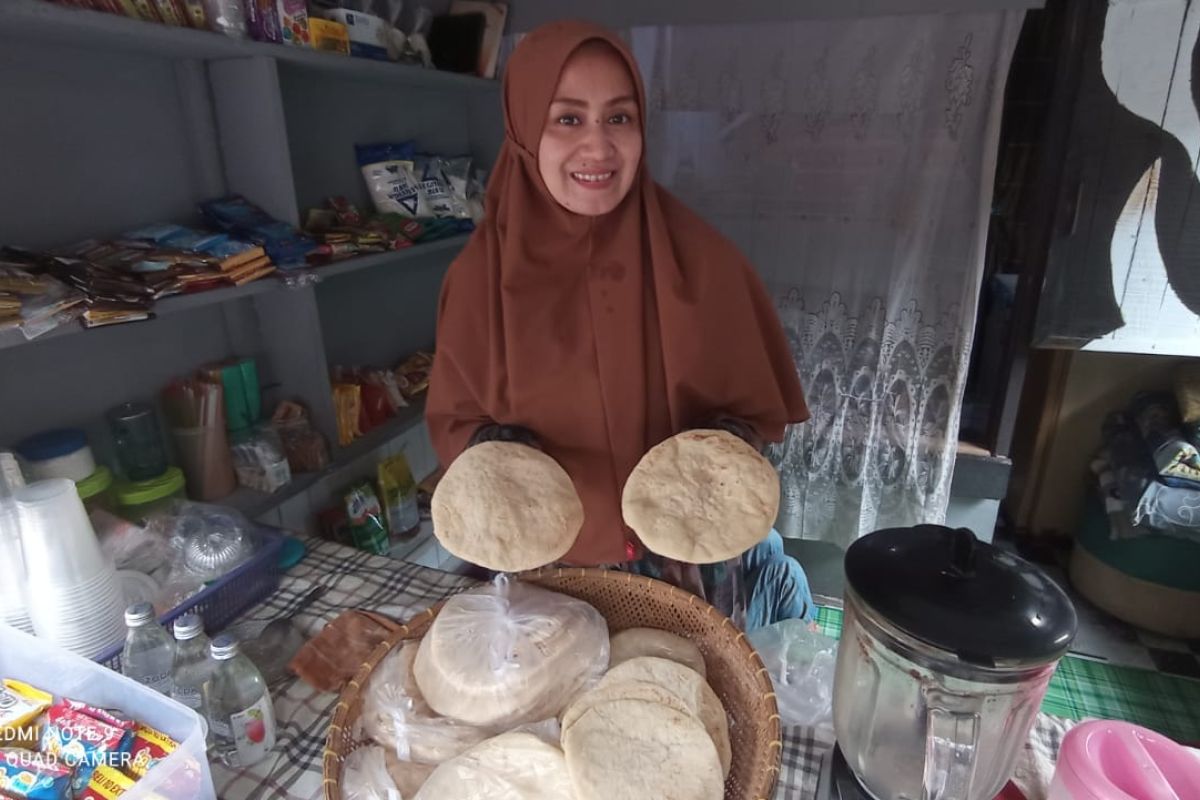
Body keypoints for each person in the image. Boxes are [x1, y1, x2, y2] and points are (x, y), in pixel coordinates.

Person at [425, 20, 813, 630]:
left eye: (619, 118)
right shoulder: (478, 281)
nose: (599, 148)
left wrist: (728, 438)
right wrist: (488, 447)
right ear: (526, 127)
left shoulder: (705, 263)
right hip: (552, 575)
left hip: (690, 568)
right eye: (568, 118)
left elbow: (756, 416)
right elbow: (456, 420)